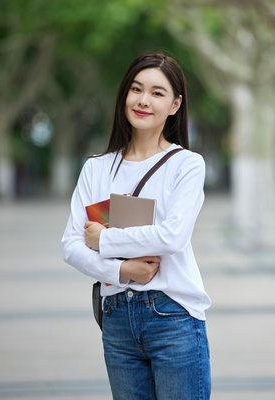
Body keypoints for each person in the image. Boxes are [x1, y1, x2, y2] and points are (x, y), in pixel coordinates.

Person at [61, 52, 211, 399]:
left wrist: (105, 239)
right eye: (136, 89)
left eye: (157, 93)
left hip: (172, 314)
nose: (143, 100)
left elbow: (172, 236)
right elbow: (71, 245)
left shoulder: (186, 165)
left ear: (175, 105)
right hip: (116, 319)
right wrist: (123, 271)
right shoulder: (96, 168)